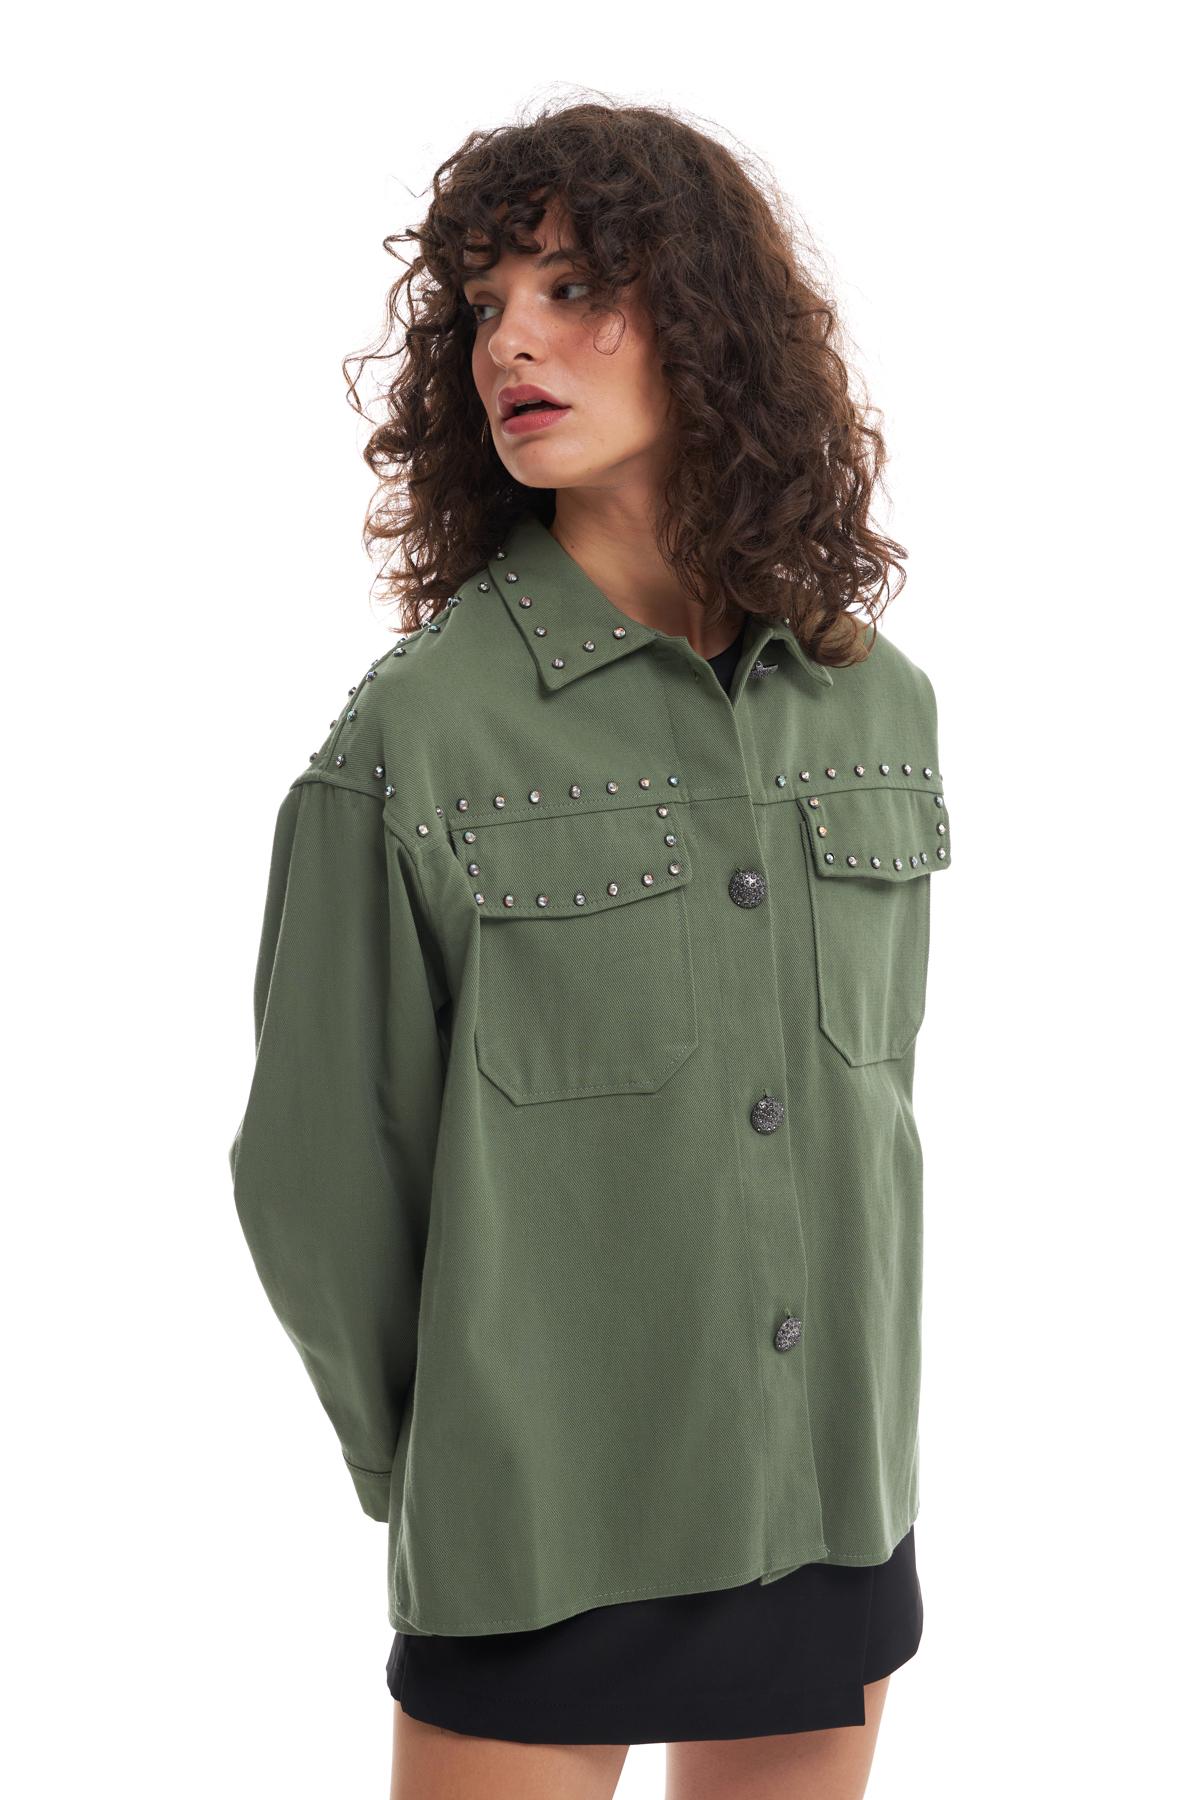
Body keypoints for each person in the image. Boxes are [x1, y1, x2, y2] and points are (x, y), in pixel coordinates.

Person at [229, 99, 951, 1800]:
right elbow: (317, 1177)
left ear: (709, 324)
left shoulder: (877, 709)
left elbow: (869, 1120)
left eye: (572, 288)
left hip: (829, 1503)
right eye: (484, 307)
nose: (511, 343)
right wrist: (449, 1462)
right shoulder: (415, 741)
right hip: (536, 1525)